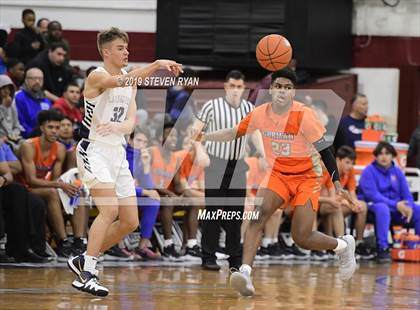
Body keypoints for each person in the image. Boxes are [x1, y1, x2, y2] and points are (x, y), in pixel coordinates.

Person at [200, 68, 357, 296]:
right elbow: (234, 132)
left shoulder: (304, 115)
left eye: (287, 87)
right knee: (258, 214)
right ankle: (245, 273)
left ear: (293, 92)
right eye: (278, 86)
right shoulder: (260, 113)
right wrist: (204, 136)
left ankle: (343, 246)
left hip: (306, 177)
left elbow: (326, 151)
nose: (282, 91)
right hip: (278, 174)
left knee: (301, 237)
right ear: (271, 89)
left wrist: (337, 185)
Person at [66, 27, 182, 296]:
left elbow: (131, 119)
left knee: (130, 221)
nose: (126, 52)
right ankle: (88, 273)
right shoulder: (97, 75)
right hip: (93, 150)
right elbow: (117, 84)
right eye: (120, 48)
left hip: (117, 153)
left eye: (127, 48)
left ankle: (84, 258)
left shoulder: (129, 80)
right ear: (106, 51)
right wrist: (155, 65)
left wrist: (120, 128)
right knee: (109, 211)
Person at [192, 70, 261, 271]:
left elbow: (255, 133)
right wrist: (200, 150)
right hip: (215, 162)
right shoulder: (211, 106)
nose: (235, 90)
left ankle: (234, 257)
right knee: (213, 212)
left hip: (238, 165)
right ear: (225, 87)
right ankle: (208, 256)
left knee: (236, 213)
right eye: (232, 86)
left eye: (239, 87)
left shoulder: (249, 108)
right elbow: (195, 131)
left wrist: (264, 153)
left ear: (244, 88)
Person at [19, 110, 85, 259]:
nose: (55, 131)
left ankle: (79, 241)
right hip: (25, 189)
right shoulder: (28, 146)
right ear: (42, 128)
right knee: (53, 192)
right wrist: (60, 186)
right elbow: (30, 180)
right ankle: (62, 241)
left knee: (77, 192)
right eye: (50, 127)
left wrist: (66, 187)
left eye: (57, 127)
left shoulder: (60, 148)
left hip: (47, 189)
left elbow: (54, 180)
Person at [358, 141, 420, 263]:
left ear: (392, 156)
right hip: (373, 206)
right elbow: (373, 196)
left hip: (396, 208)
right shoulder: (368, 171)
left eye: (387, 153)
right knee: (382, 208)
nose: (384, 156)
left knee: (417, 209)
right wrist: (396, 205)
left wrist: (408, 206)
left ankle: (417, 246)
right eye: (380, 154)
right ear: (376, 156)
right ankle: (383, 248)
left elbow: (406, 194)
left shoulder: (397, 172)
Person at [126, 126, 161, 260]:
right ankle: (118, 246)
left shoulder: (142, 157)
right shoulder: (122, 155)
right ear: (130, 140)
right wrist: (143, 191)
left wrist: (146, 166)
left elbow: (149, 186)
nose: (142, 145)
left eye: (145, 142)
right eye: (139, 140)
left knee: (153, 202)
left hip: (133, 193)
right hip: (118, 193)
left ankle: (142, 246)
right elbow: (122, 186)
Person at [14, 67, 52, 138]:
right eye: (34, 79)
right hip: (25, 137)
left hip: (44, 138)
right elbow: (20, 122)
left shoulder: (46, 100)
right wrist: (34, 135)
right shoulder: (19, 97)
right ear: (26, 80)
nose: (37, 81)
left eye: (40, 79)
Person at [0, 75, 23, 148]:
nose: (6, 91)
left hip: (12, 138)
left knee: (27, 145)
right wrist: (3, 107)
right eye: (3, 88)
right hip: (2, 140)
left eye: (8, 89)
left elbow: (16, 126)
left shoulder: (12, 107)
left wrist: (13, 135)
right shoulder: (4, 106)